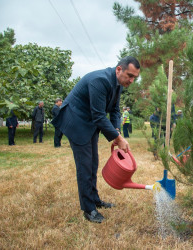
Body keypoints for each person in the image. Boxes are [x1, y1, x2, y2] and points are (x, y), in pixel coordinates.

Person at [52, 56, 140, 223]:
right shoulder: (100, 81)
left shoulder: (118, 85)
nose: (132, 80)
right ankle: (89, 209)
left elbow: (114, 111)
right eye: (130, 75)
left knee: (93, 163)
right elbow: (99, 115)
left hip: (90, 123)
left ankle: (94, 199)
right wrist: (118, 138)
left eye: (134, 77)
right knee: (85, 166)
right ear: (118, 69)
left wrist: (116, 131)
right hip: (76, 122)